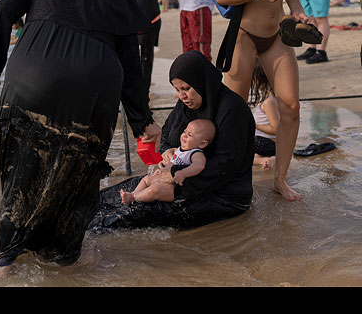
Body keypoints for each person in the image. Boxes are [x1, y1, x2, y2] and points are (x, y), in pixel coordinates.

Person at [0, 0, 161, 268]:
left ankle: (3, 261)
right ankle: (61, 256)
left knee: (21, 177)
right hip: (92, 93)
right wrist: (142, 122)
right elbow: (131, 69)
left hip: (31, 80)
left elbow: (0, 11)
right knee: (76, 178)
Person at [215, 0, 309, 201]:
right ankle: (225, 177)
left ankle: (280, 180)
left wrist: (297, 10)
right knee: (234, 112)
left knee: (292, 107)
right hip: (244, 35)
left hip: (275, 36)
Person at [90, 50, 254, 232]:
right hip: (175, 179)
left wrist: (174, 178)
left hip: (222, 196)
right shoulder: (186, 104)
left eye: (186, 89)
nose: (182, 96)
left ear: (201, 82)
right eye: (177, 90)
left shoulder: (233, 109)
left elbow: (225, 165)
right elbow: (167, 136)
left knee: (128, 215)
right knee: (105, 198)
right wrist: (167, 152)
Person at [120, 118, 215, 205]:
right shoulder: (180, 149)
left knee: (155, 189)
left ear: (202, 144)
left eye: (190, 135)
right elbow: (172, 159)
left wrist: (183, 173)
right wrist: (162, 169)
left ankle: (133, 197)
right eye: (184, 131)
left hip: (174, 188)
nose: (184, 135)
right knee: (147, 179)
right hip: (164, 180)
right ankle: (134, 193)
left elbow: (199, 166)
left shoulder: (196, 153)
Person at [249, 58, 278, 170]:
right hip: (265, 143)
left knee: (238, 147)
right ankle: (264, 159)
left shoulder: (269, 102)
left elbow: (276, 129)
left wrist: (255, 125)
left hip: (268, 143)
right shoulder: (268, 99)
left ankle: (267, 158)